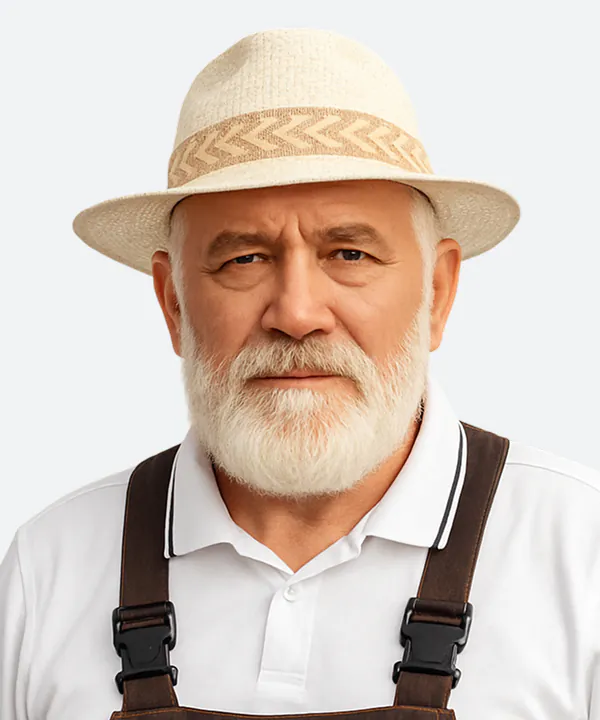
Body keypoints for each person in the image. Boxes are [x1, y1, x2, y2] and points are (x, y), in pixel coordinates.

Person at [1, 26, 599, 720]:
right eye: (244, 259)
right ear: (173, 304)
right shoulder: (48, 572)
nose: (296, 313)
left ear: (437, 293)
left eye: (349, 254)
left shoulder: (581, 556)